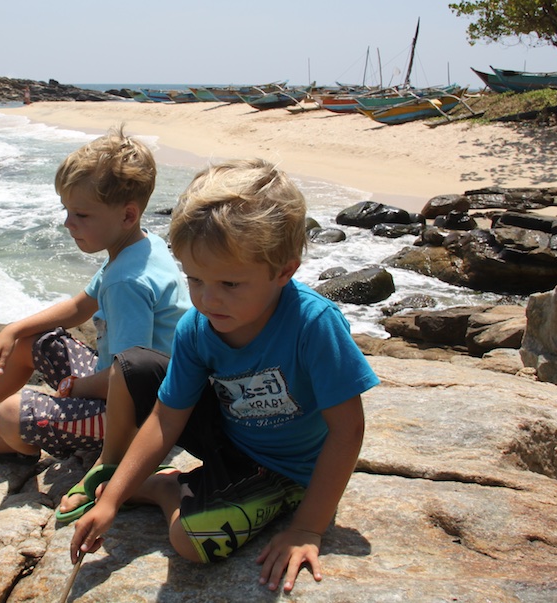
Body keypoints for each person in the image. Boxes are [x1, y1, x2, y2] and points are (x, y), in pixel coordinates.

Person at [69, 158, 379, 592]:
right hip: (231, 441)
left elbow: (348, 432)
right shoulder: (199, 326)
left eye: (230, 284)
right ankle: (130, 478)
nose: (207, 299)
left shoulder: (313, 324)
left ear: (284, 271)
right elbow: (165, 418)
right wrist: (113, 500)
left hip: (288, 469)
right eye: (194, 279)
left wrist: (309, 528)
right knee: (134, 365)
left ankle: (166, 489)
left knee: (191, 540)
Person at [0, 127, 190, 462]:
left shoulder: (127, 283)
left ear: (128, 215)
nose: (68, 223)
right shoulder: (142, 247)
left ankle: (7, 440)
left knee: (12, 414)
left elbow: (129, 380)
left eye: (81, 215)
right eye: (67, 210)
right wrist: (14, 330)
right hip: (124, 387)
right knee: (30, 341)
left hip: (140, 415)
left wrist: (75, 388)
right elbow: (78, 307)